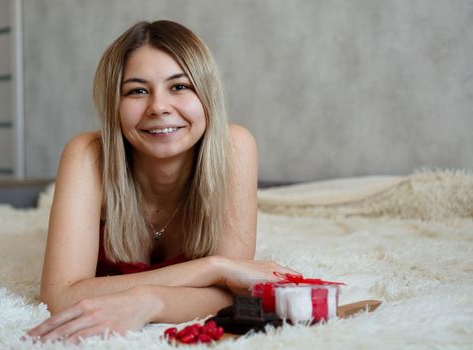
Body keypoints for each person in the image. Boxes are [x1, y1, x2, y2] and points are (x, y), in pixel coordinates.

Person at [27, 20, 296, 344]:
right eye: (137, 90)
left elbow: (231, 293)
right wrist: (213, 268)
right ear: (115, 105)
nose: (158, 107)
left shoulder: (235, 147)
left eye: (180, 86)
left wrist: (150, 301)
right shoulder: (86, 154)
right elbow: (59, 296)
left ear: (206, 95)